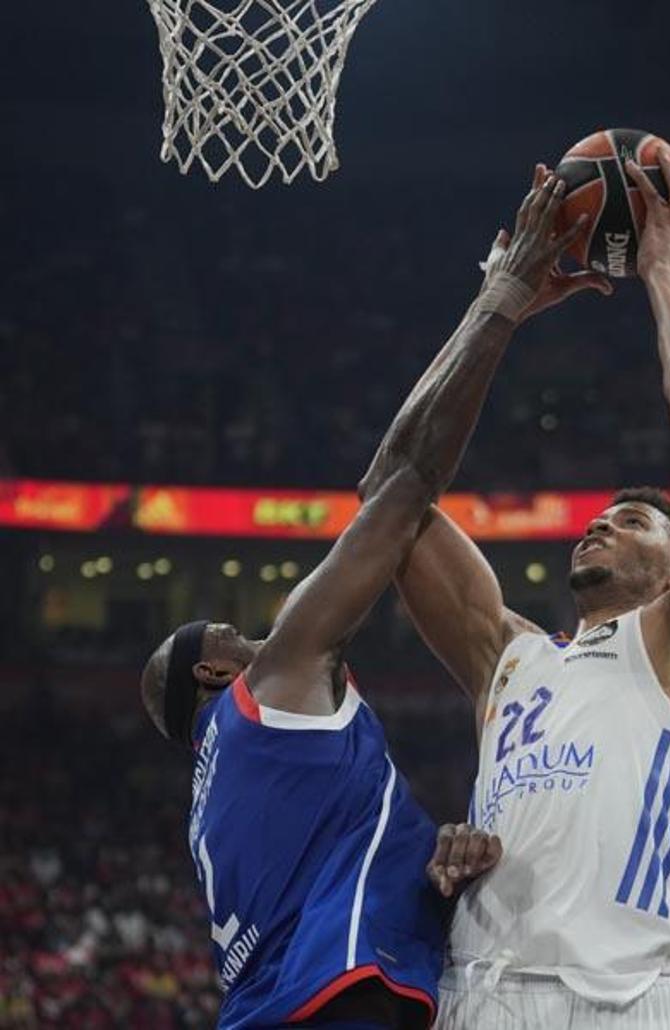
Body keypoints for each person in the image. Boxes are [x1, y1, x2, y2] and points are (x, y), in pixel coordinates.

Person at [139, 171, 609, 1029]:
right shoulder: (268, 691)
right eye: (237, 633)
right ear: (215, 668)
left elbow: (384, 483)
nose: (262, 635)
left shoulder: (224, 789)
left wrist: (431, 863)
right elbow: (403, 490)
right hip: (331, 1007)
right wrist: (500, 301)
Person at [393, 149, 670, 1028]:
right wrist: (499, 306)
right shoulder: (508, 657)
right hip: (475, 993)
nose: (600, 523)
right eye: (599, 516)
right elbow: (393, 496)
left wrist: (661, 272)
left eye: (633, 522)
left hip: (620, 1001)